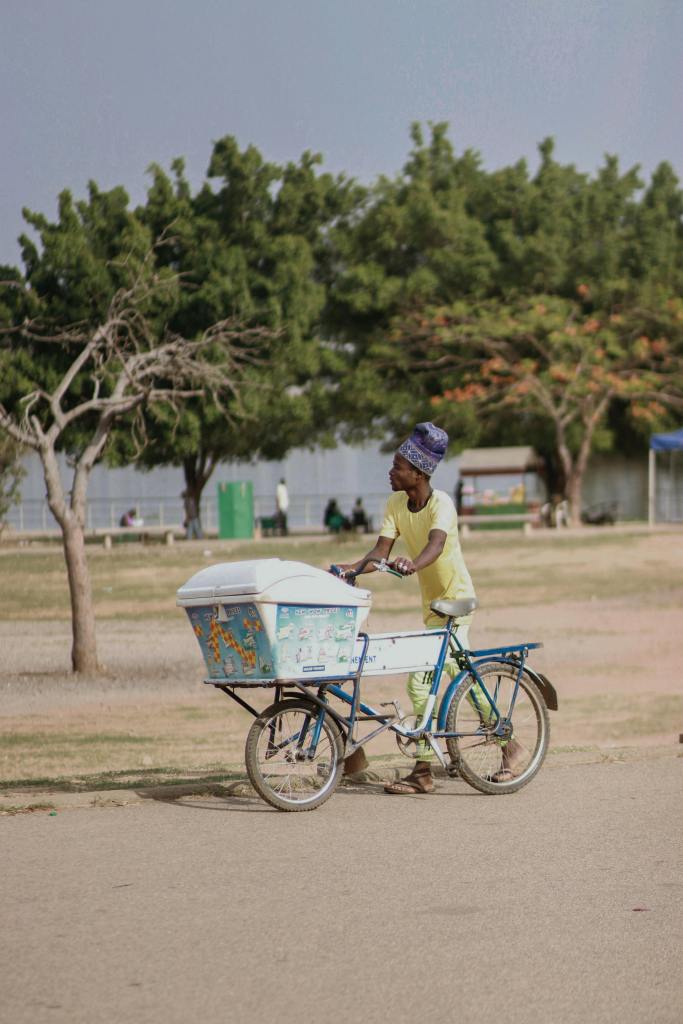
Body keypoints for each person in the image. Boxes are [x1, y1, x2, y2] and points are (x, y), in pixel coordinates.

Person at [335, 422, 521, 794]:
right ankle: (435, 766)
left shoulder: (442, 505)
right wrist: (351, 569)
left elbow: (436, 545)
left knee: (430, 682)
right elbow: (380, 553)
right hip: (432, 608)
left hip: (457, 602)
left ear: (418, 473)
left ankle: (497, 749)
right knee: (443, 678)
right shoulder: (394, 505)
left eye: (398, 466)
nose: (391, 472)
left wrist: (413, 564)